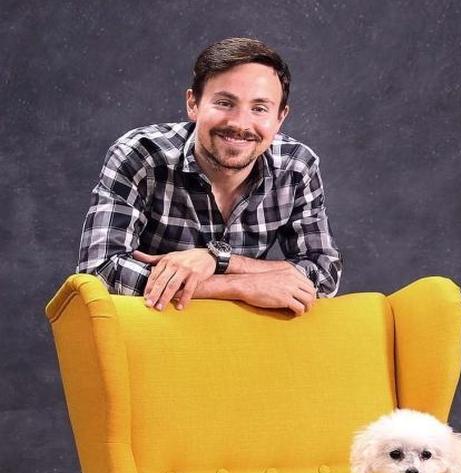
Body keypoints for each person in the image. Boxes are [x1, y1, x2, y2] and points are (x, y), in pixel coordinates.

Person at [77, 37, 341, 316]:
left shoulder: (296, 167)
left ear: (280, 117)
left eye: (259, 108)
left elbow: (324, 272)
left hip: (241, 340)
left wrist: (218, 260)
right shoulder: (140, 155)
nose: (240, 123)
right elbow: (99, 271)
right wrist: (239, 287)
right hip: (154, 335)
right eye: (225, 103)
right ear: (193, 104)